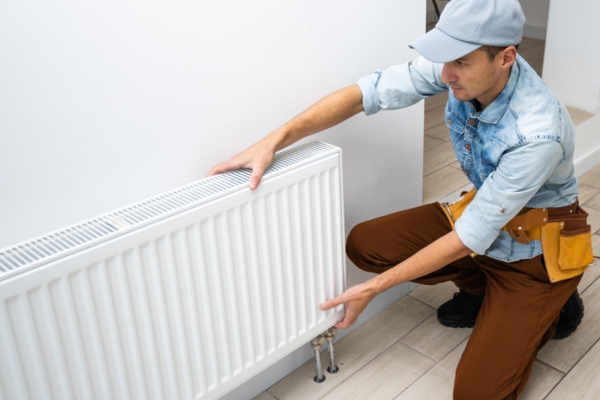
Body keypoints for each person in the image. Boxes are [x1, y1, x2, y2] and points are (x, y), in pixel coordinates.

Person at [208, 0, 590, 397]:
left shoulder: (537, 133)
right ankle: (480, 291)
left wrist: (373, 289)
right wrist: (274, 140)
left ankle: (556, 302)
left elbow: (468, 238)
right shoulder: (459, 67)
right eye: (444, 58)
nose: (445, 75)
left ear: (506, 58)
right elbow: (364, 93)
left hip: (532, 254)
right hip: (482, 218)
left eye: (460, 62)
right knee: (365, 244)